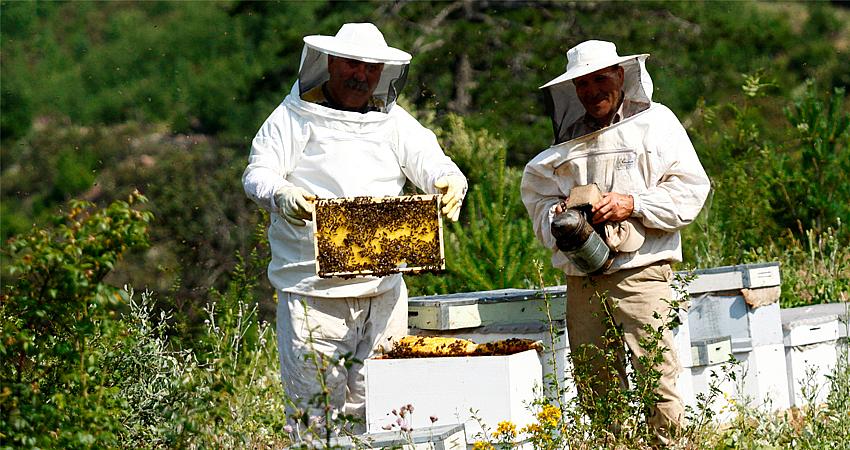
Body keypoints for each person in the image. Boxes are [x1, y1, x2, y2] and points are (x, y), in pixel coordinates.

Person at [242, 22, 468, 434]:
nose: (361, 76)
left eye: (371, 68)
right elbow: (258, 174)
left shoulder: (393, 121)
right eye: (352, 64)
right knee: (316, 419)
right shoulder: (292, 118)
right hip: (315, 295)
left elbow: (431, 160)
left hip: (384, 293)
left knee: (389, 413)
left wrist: (451, 179)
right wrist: (282, 194)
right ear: (329, 62)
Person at [521, 40, 710, 442]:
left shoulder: (657, 124)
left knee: (657, 378)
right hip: (582, 278)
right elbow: (537, 194)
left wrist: (633, 203)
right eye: (583, 84)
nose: (591, 91)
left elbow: (692, 190)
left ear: (620, 75)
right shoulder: (568, 140)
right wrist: (557, 215)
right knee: (595, 385)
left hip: (641, 274)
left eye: (599, 79)